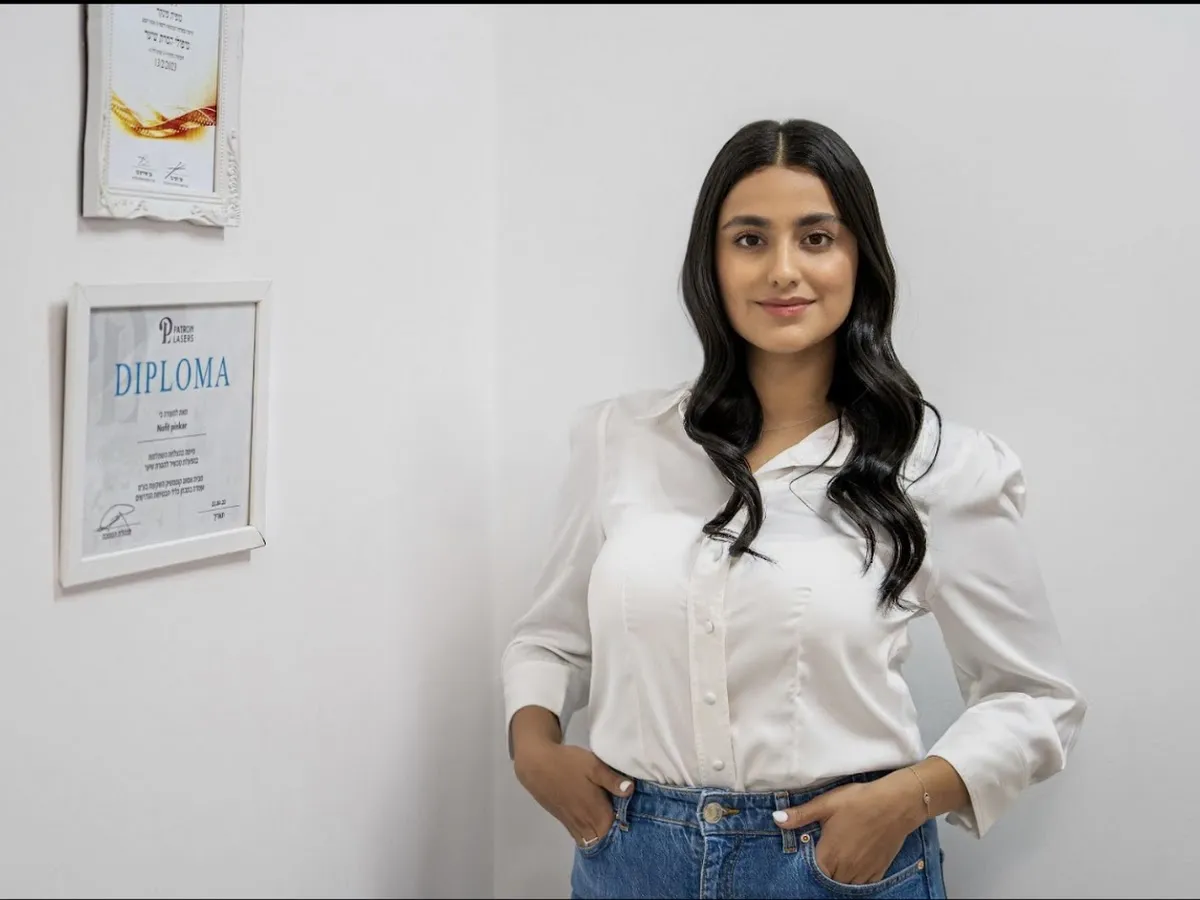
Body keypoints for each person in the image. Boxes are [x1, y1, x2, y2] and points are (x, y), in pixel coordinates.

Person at [500, 118, 1087, 900]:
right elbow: (551, 638)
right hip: (632, 862)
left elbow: (1035, 697)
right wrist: (533, 747)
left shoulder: (943, 463)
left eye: (816, 238)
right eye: (750, 239)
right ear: (710, 262)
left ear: (858, 258)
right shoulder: (622, 438)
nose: (783, 270)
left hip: (838, 868)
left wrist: (904, 800)